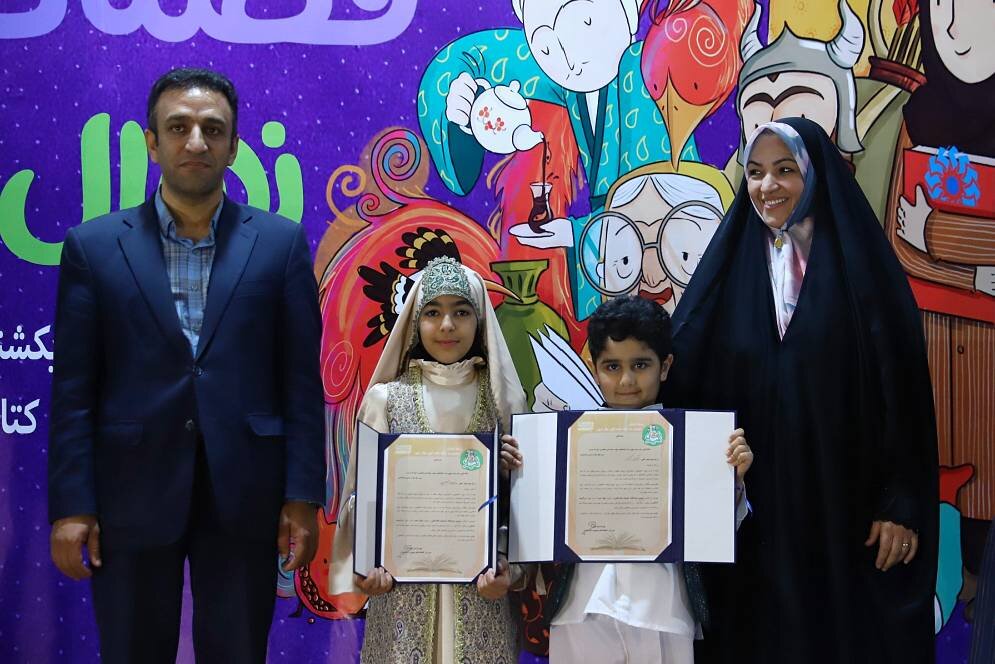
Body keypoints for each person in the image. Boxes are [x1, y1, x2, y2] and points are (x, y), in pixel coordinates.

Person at [47, 68, 325, 663]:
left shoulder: (280, 244)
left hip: (245, 492)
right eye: (178, 128)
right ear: (152, 143)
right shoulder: (93, 247)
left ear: (234, 145)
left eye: (212, 129)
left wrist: (303, 496)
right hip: (130, 492)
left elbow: (301, 384)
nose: (196, 142)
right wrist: (72, 505)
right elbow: (73, 391)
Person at [667, 117, 939, 663]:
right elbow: (681, 370)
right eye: (756, 172)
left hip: (846, 508)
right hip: (751, 512)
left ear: (815, 175)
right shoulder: (729, 270)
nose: (767, 186)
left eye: (785, 170)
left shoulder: (863, 272)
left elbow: (905, 394)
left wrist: (902, 503)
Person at [329, 255, 528, 663]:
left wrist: (509, 570)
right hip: (400, 599)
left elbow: (523, 509)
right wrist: (367, 567)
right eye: (433, 312)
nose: (447, 325)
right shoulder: (385, 400)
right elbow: (363, 499)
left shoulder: (504, 403)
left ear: (480, 320)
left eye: (461, 312)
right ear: (415, 321)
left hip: (482, 600)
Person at [541, 294, 751, 663]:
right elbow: (540, 521)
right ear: (593, 368)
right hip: (581, 605)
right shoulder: (565, 442)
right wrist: (519, 472)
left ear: (664, 366)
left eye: (640, 365)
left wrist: (731, 480)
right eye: (612, 366)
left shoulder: (694, 440)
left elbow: (715, 530)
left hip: (663, 607)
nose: (626, 380)